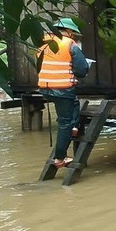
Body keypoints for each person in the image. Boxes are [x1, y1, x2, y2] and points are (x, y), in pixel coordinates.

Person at [37, 18, 90, 168]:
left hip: (45, 87)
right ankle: (60, 158)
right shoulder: (69, 45)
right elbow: (82, 70)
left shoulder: (43, 43)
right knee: (64, 123)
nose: (73, 35)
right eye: (72, 32)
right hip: (62, 89)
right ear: (68, 31)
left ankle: (74, 128)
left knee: (74, 104)